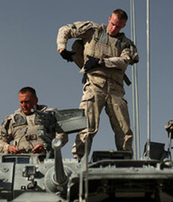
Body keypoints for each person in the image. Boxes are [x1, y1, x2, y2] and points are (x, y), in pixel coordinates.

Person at [56, 8, 139, 159]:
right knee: (87, 127)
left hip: (116, 89)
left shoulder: (126, 44)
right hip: (94, 86)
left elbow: (124, 61)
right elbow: (65, 29)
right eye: (113, 24)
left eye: (118, 26)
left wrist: (101, 61)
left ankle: (127, 161)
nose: (114, 28)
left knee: (124, 130)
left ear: (123, 26)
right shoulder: (92, 30)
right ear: (109, 19)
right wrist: (62, 49)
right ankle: (79, 160)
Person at [0, 87, 68, 155]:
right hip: (20, 162)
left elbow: (62, 135)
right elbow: (0, 141)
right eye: (21, 102)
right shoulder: (12, 120)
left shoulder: (50, 115)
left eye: (27, 102)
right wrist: (8, 148)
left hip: (45, 160)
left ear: (36, 100)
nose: (24, 105)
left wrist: (47, 146)